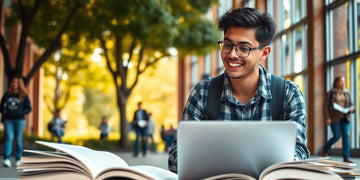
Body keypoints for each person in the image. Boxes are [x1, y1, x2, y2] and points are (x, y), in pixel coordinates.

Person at [168, 7, 310, 173]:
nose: (232, 55)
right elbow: (176, 158)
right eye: (227, 45)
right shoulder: (203, 93)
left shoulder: (288, 94)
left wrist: (289, 163)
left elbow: (299, 150)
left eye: (244, 48)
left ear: (264, 53)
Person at [0, 76, 32, 167]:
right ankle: (7, 159)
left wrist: (21, 112)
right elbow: (1, 107)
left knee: (18, 140)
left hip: (20, 120)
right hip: (8, 119)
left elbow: (29, 108)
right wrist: (3, 110)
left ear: (20, 84)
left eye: (17, 82)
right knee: (9, 138)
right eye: (13, 82)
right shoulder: (7, 94)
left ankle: (18, 159)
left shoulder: (23, 96)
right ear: (11, 83)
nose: (15, 84)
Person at [322, 76, 355, 163]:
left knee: (346, 136)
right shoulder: (330, 93)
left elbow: (352, 104)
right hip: (334, 118)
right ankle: (325, 148)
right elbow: (325, 107)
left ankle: (346, 157)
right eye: (341, 81)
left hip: (345, 117)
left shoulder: (346, 93)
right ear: (336, 82)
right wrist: (327, 118)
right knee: (337, 136)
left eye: (344, 81)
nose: (343, 83)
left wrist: (351, 108)